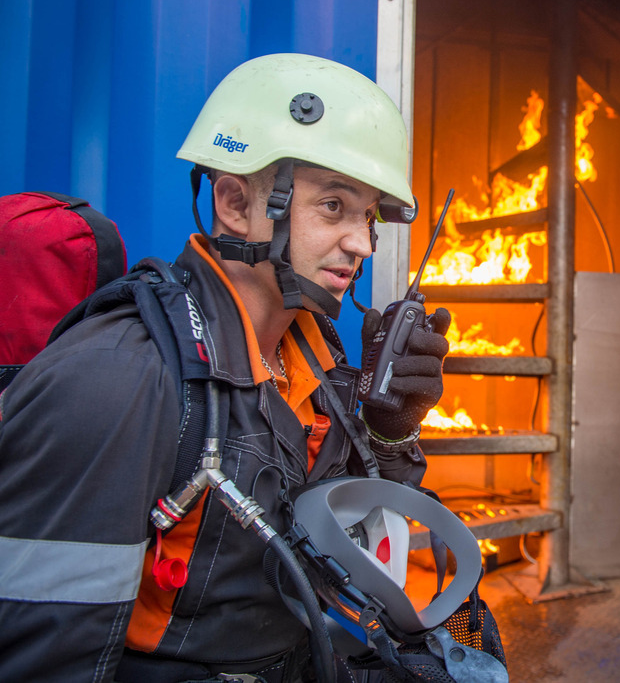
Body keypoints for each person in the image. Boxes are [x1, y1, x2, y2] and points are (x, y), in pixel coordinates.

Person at [0, 53, 451, 682]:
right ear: (237, 204)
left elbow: (364, 547)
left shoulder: (314, 358)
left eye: (369, 216)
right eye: (332, 207)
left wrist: (390, 430)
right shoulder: (118, 379)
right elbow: (41, 660)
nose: (362, 243)